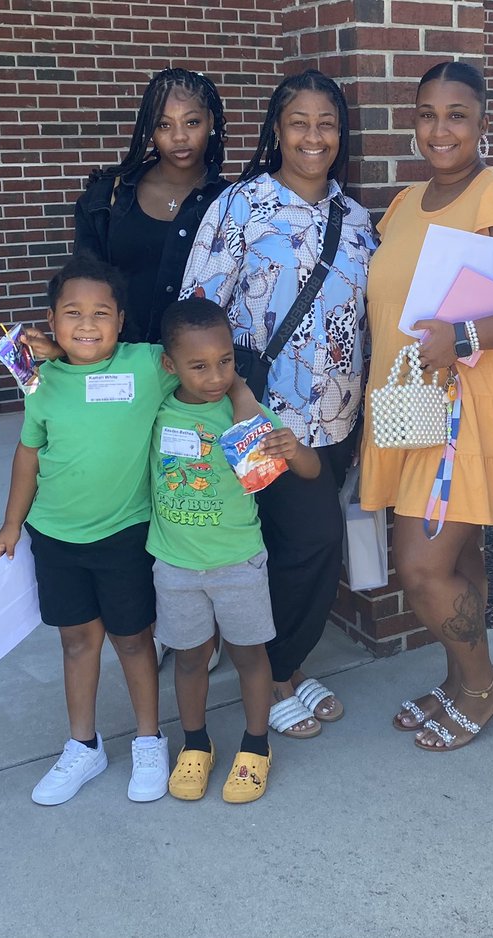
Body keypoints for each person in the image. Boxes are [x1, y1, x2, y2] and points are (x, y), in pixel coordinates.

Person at [361, 61, 493, 751]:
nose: (439, 128)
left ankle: (483, 685)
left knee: (420, 568)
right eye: (426, 113)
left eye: (456, 114)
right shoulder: (401, 206)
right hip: (410, 406)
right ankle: (459, 680)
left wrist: (467, 337)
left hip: (468, 414)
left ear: (483, 121)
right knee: (458, 563)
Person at [180, 69, 375, 739]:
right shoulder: (242, 205)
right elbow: (197, 310)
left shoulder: (356, 218)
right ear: (276, 131)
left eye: (326, 123)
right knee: (293, 544)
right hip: (254, 416)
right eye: (299, 122)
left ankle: (280, 661)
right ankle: (279, 672)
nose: (313, 136)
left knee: (312, 549)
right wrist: (234, 397)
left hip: (336, 420)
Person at [0, 254, 179, 806]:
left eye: (101, 312)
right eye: (72, 313)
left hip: (124, 534)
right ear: (51, 322)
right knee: (77, 641)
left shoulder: (147, 365)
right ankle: (83, 745)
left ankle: (149, 739)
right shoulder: (42, 381)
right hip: (55, 537)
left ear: (122, 320)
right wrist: (12, 523)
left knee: (133, 639)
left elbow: (204, 364)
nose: (88, 324)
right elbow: (28, 453)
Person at [149, 298, 320, 803]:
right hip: (175, 565)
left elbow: (308, 473)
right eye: (198, 366)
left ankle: (256, 744)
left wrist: (293, 448)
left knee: (249, 655)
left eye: (225, 361)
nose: (214, 375)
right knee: (189, 658)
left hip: (238, 562)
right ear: (170, 365)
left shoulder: (243, 413)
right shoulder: (158, 407)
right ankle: (196, 744)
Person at [73, 68, 230, 344]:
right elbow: (83, 287)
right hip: (123, 369)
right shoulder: (109, 198)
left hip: (200, 376)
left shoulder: (233, 203)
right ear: (150, 130)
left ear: (211, 121)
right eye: (164, 125)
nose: (179, 137)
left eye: (191, 122)